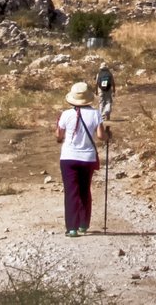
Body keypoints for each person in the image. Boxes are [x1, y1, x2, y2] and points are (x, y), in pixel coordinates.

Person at [54, 81, 110, 236]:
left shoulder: (65, 115)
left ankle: (71, 227)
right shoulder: (95, 114)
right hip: (88, 158)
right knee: (85, 190)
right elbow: (100, 136)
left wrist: (58, 128)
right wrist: (107, 135)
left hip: (68, 158)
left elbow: (59, 136)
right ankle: (84, 224)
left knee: (71, 192)